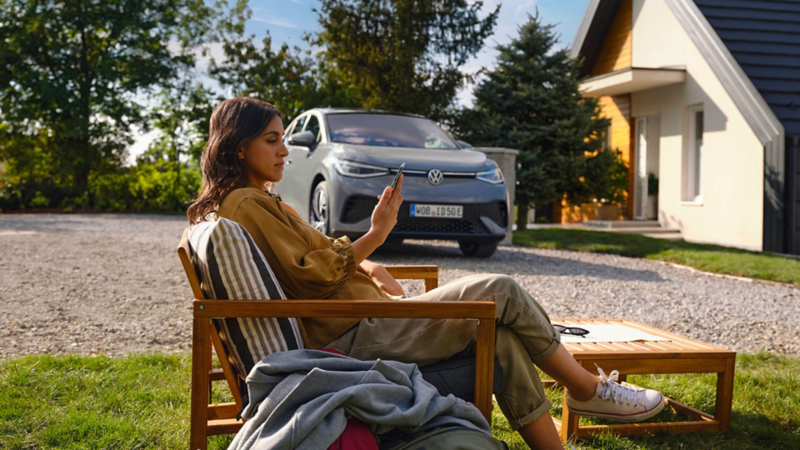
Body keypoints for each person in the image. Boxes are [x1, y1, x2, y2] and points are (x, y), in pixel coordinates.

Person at [187, 97, 666, 450]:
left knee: (499, 338)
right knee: (500, 289)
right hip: (354, 333)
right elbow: (311, 276)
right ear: (237, 146)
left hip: (367, 318)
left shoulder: (255, 199)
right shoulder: (246, 202)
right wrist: (376, 235)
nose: (284, 151)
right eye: (271, 140)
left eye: (281, 139)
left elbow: (316, 258)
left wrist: (369, 262)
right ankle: (586, 389)